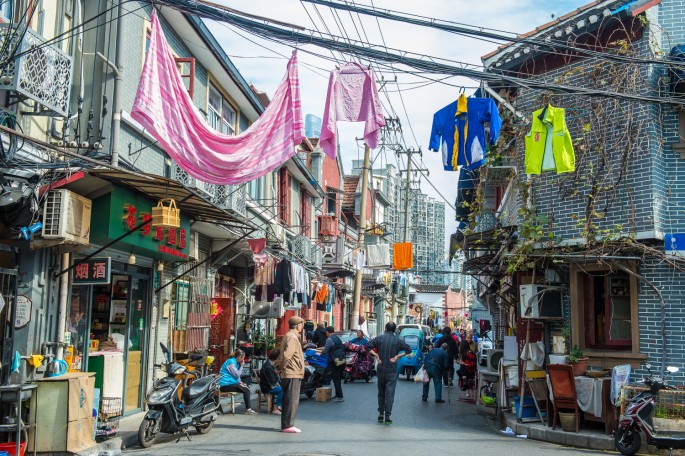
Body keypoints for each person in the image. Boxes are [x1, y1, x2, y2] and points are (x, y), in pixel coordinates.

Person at [368, 322, 412, 425]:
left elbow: (368, 346)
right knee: (390, 393)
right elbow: (408, 350)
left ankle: (380, 414)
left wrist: (376, 356)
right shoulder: (398, 340)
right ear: (394, 329)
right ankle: (387, 416)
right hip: (392, 370)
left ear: (386, 328)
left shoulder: (379, 338)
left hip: (381, 369)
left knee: (381, 392)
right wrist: (397, 357)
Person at [277, 316, 305, 433]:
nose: (302, 327)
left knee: (289, 399)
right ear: (298, 326)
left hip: (291, 371)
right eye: (302, 325)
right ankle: (288, 425)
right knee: (291, 399)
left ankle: (287, 424)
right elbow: (287, 355)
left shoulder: (289, 336)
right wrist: (282, 367)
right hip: (292, 372)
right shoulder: (292, 337)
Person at [219, 349, 258, 415]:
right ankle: (248, 410)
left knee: (248, 377)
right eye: (243, 358)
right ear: (240, 357)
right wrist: (242, 366)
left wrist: (240, 382)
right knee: (246, 390)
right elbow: (236, 375)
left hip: (232, 382)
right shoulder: (231, 362)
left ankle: (244, 385)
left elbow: (237, 377)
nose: (243, 359)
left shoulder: (236, 362)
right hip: (225, 385)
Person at [321, 326, 345, 401]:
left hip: (335, 361)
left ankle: (340, 396)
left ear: (328, 332)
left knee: (336, 378)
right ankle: (338, 394)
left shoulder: (329, 339)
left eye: (326, 332)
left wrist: (320, 353)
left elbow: (325, 350)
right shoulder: (337, 338)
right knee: (337, 378)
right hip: (341, 360)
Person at [259, 349, 283, 415]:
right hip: (267, 387)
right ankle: (275, 408)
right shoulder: (268, 366)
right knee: (282, 390)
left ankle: (279, 405)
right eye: (280, 357)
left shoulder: (271, 364)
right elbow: (273, 381)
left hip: (270, 385)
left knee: (285, 388)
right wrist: (277, 374)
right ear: (277, 357)